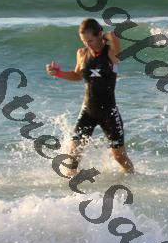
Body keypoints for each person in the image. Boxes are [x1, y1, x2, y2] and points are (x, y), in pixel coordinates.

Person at [45, 18, 134, 175]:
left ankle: (133, 178)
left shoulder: (111, 53)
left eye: (90, 40)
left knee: (120, 157)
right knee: (73, 158)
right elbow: (77, 75)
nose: (87, 44)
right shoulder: (82, 53)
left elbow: (114, 36)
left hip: (108, 113)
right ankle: (72, 186)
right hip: (88, 111)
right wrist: (58, 73)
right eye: (84, 41)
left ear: (99, 35)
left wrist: (105, 36)